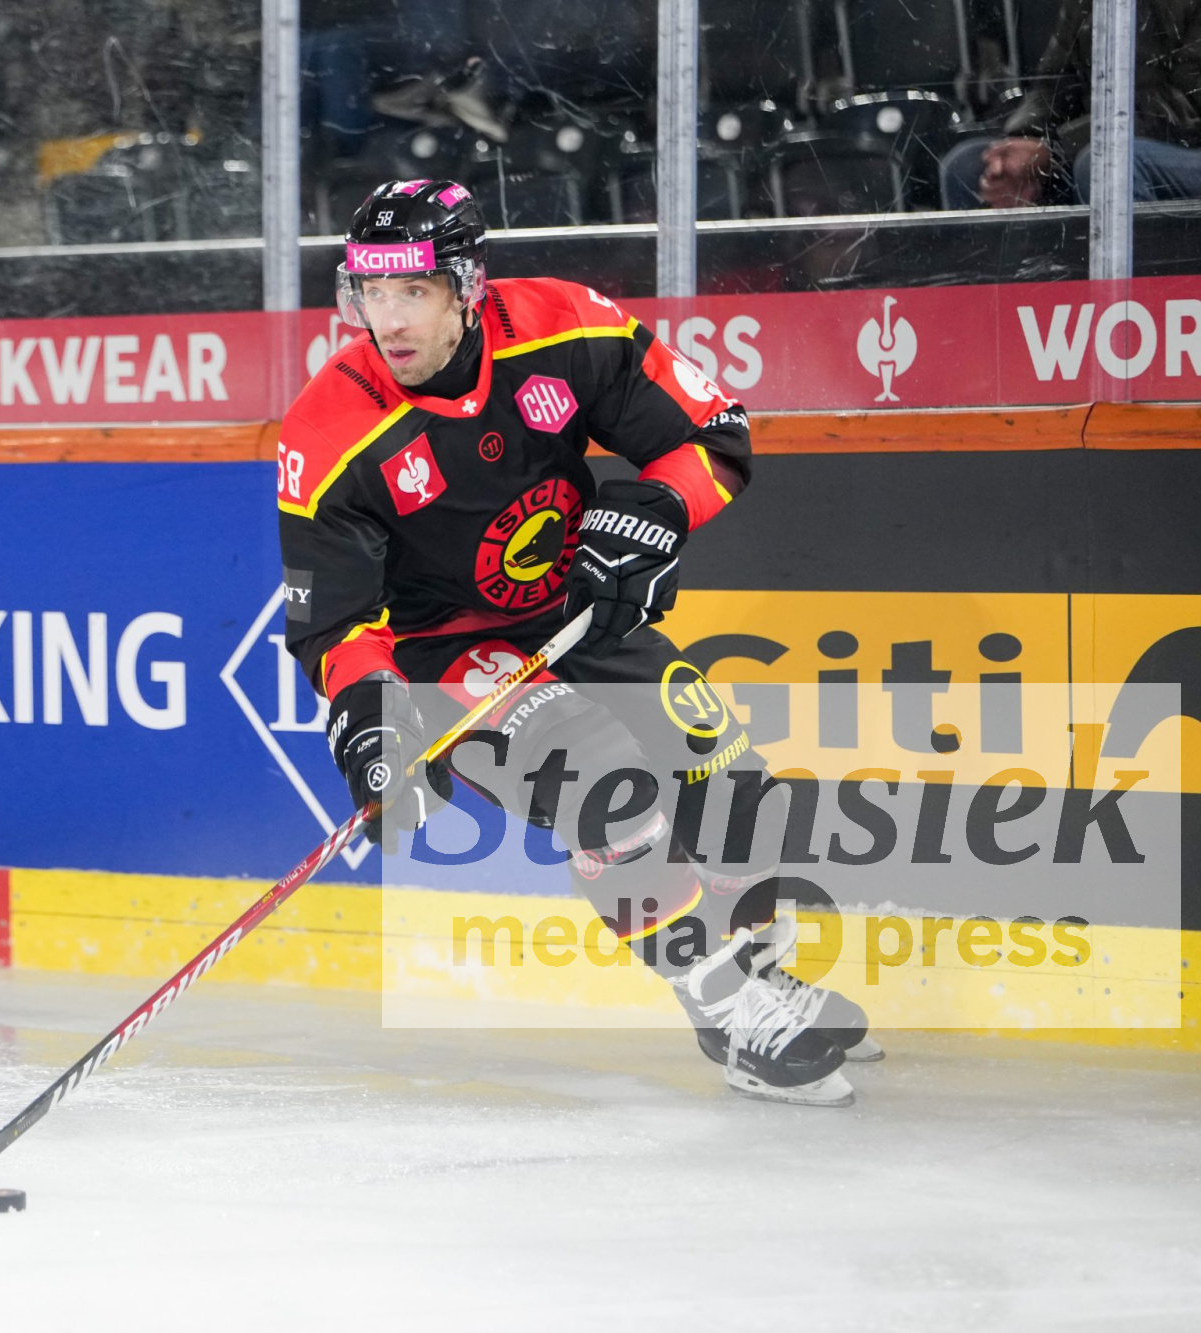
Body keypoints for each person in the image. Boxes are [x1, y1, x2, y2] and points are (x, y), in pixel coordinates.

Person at [280, 179, 880, 1107]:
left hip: (574, 610)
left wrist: (655, 514)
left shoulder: (562, 325)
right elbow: (335, 625)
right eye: (370, 292)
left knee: (729, 772)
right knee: (600, 777)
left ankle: (760, 980)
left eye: (414, 292)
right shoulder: (330, 427)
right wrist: (373, 723)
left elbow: (714, 434)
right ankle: (726, 1004)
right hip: (446, 654)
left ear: (467, 285)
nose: (387, 320)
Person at [942, 0, 1201, 208]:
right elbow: (1053, 84)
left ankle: (1138, 261)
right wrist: (1023, 142)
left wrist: (1055, 151)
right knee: (967, 167)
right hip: (1099, 143)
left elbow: (1185, 111)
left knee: (1107, 165)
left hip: (1185, 149)